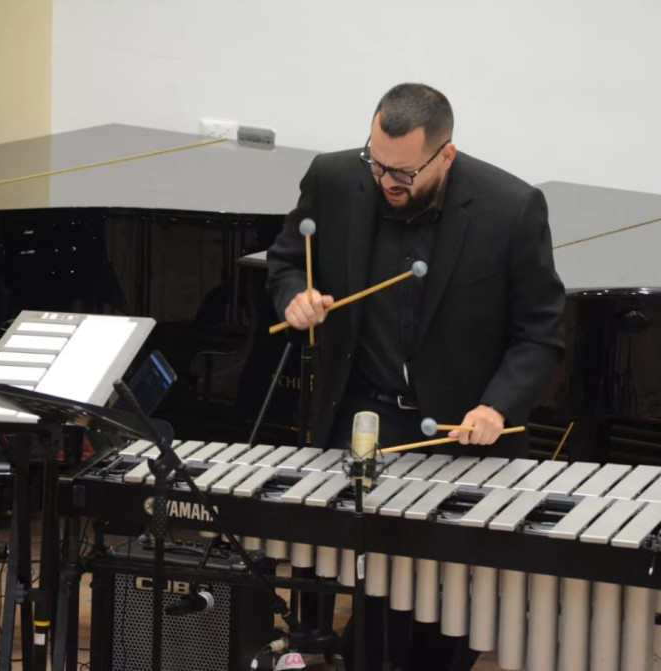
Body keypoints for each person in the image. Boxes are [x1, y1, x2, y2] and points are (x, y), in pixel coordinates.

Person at [266, 83, 566, 670]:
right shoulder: (333, 179)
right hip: (361, 424)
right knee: (377, 606)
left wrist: (497, 408)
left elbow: (541, 333)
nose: (386, 183)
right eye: (376, 165)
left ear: (445, 155)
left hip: (459, 433)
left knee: (449, 624)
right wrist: (295, 299)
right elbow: (282, 261)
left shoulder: (511, 207)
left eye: (402, 173)